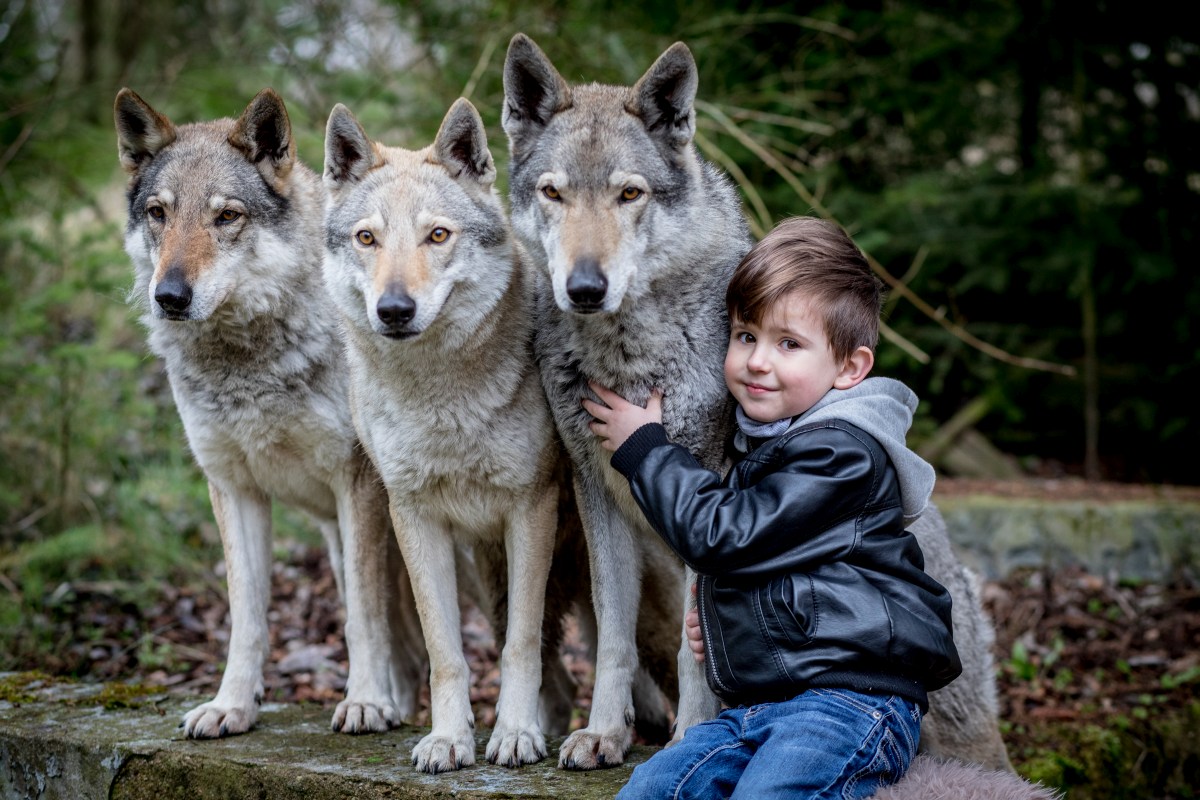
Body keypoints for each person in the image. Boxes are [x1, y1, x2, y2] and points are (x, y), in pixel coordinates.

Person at [583, 216, 963, 799]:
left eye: (789, 344)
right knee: (653, 789)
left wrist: (647, 450)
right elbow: (785, 578)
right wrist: (721, 625)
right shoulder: (765, 446)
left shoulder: (843, 453)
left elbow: (726, 536)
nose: (759, 360)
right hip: (762, 709)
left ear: (849, 368)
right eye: (745, 336)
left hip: (852, 703)